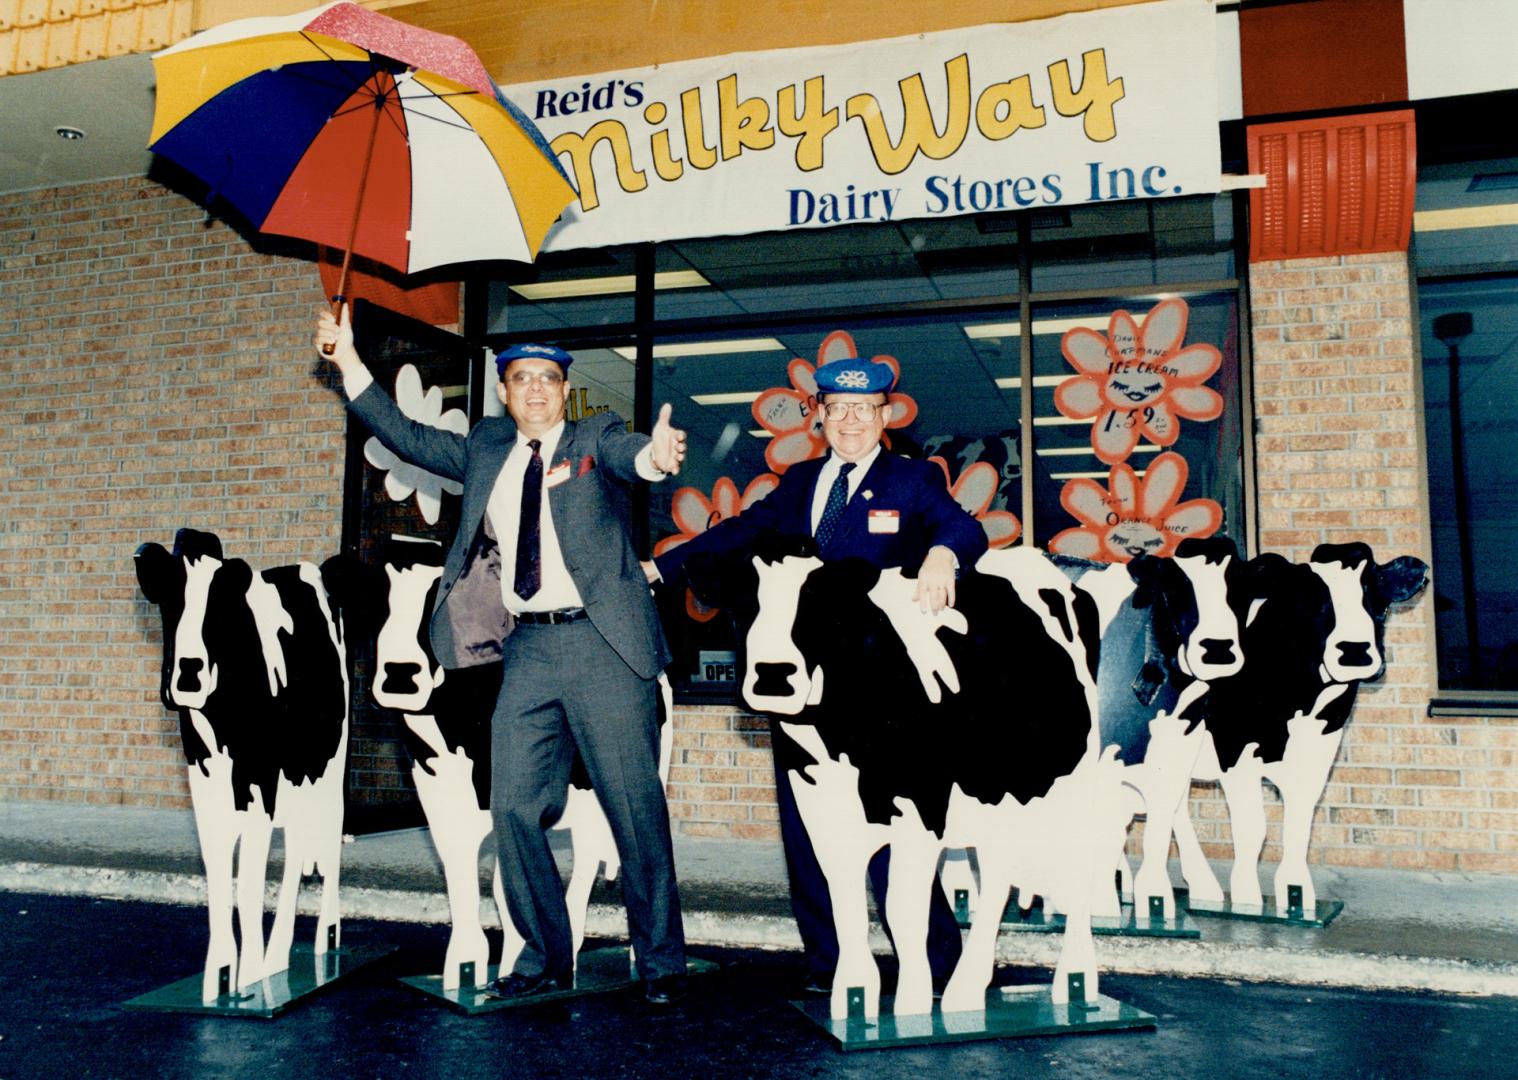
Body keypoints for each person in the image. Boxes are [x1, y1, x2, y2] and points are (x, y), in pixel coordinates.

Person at [316, 307, 690, 1005]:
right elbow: (405, 433)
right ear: (505, 392)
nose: (537, 391)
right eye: (523, 380)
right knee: (514, 807)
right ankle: (546, 959)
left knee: (634, 812)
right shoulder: (486, 446)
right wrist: (350, 364)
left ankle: (662, 964)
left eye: (549, 379)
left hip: (606, 644)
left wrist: (655, 458)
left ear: (564, 390)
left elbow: (630, 456)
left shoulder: (592, 437)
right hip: (529, 648)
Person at [649, 355, 987, 994]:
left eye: (865, 409)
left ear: (884, 416)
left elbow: (960, 526)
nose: (852, 420)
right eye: (838, 409)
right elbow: (740, 532)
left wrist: (943, 554)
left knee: (896, 834)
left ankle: (937, 962)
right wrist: (663, 569)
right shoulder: (800, 481)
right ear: (821, 416)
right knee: (807, 834)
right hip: (800, 691)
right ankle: (829, 962)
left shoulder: (910, 480)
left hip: (882, 701)